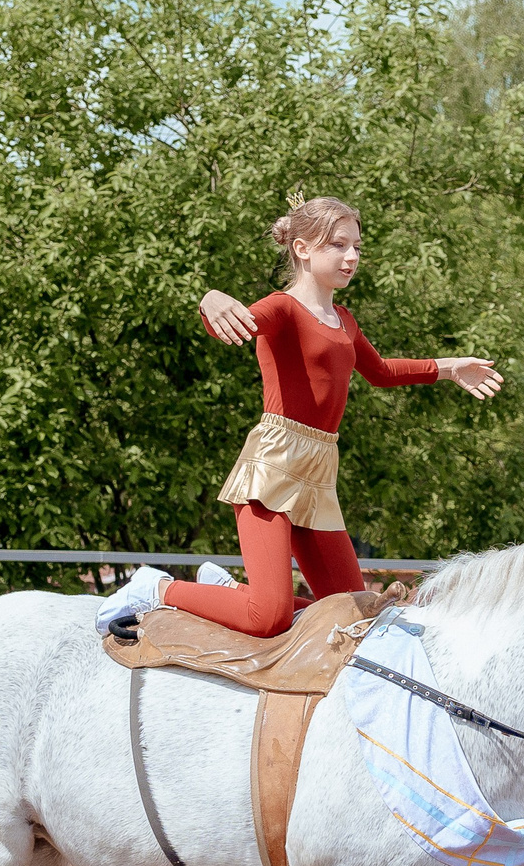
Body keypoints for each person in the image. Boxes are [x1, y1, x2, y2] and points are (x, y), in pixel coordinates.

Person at [93, 197, 503, 638]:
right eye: (339, 245)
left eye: (358, 247)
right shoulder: (283, 308)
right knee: (266, 617)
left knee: (362, 619)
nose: (352, 257)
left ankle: (230, 589)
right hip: (275, 464)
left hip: (319, 470)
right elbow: (236, 320)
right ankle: (156, 588)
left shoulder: (344, 320)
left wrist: (448, 367)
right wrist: (210, 299)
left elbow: (381, 372)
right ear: (303, 249)